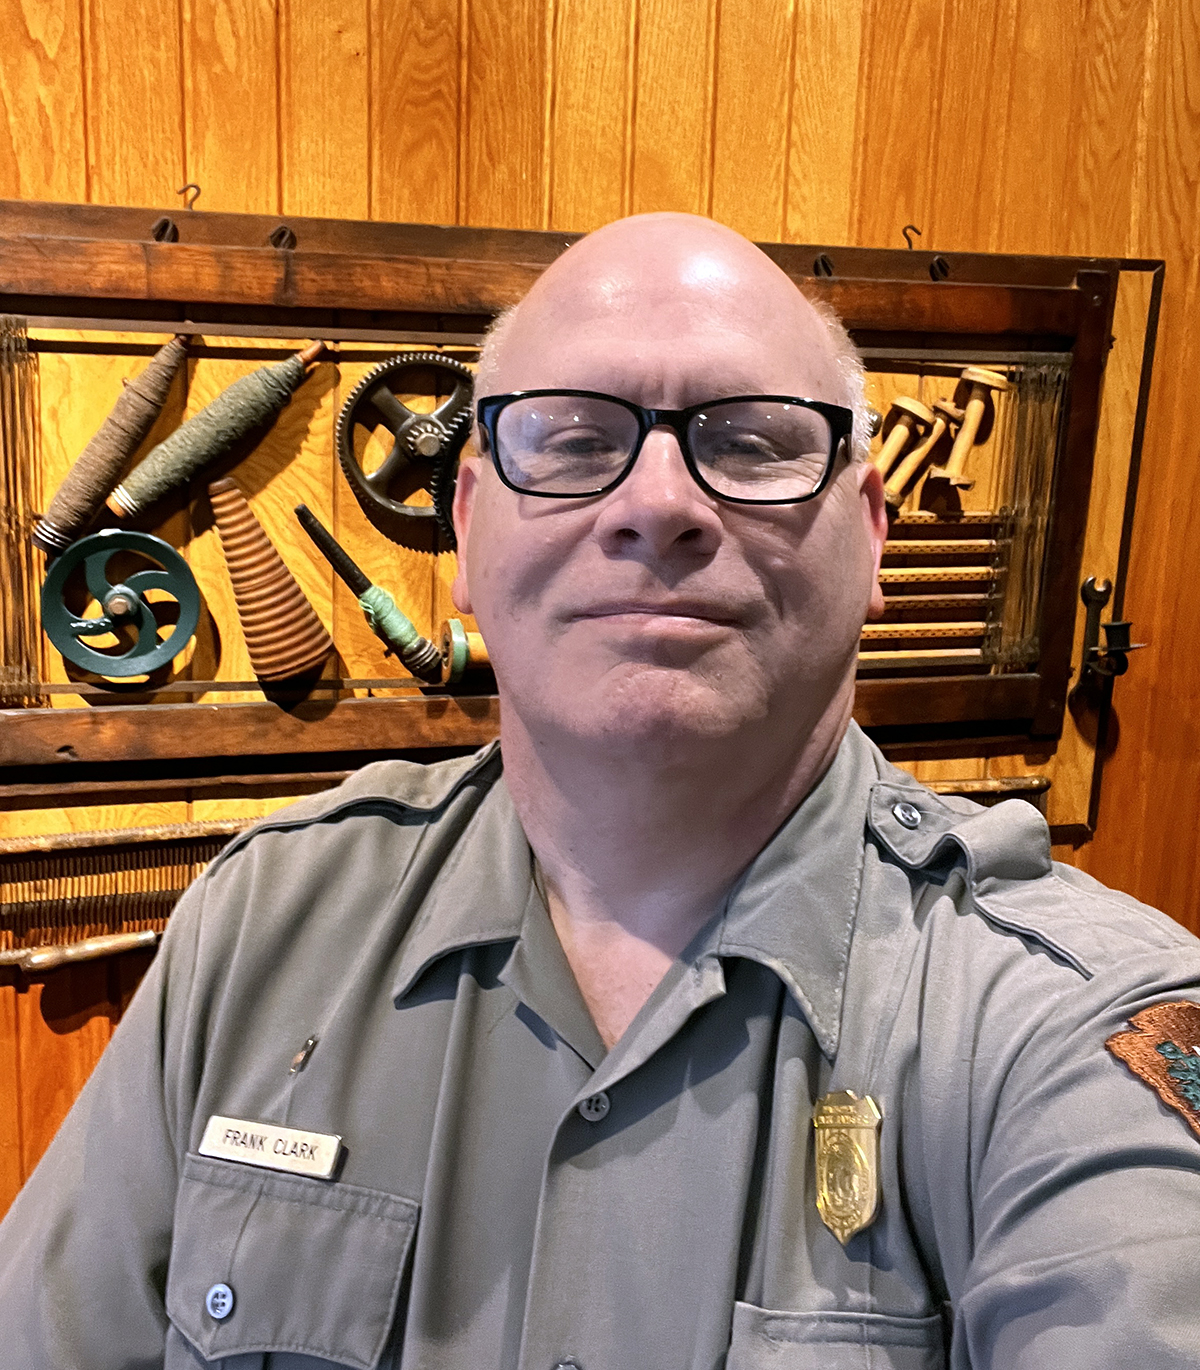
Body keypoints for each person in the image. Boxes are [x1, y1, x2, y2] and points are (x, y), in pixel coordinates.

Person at [2, 213, 1199, 1370]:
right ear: (466, 527)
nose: (658, 503)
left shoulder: (1065, 1023)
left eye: (754, 439)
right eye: (573, 439)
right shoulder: (262, 926)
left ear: (873, 533)